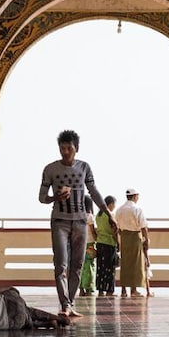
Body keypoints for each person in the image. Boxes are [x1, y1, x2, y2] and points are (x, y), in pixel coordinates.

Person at [38, 129, 116, 317]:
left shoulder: (84, 168)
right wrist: (55, 197)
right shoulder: (50, 169)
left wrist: (108, 213)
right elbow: (42, 197)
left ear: (76, 148)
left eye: (69, 148)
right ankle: (64, 304)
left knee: (77, 265)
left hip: (80, 221)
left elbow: (94, 191)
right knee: (61, 264)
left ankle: (70, 302)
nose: (65, 152)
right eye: (62, 148)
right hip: (60, 221)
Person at [114, 187, 149, 297]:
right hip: (135, 237)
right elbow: (143, 226)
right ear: (134, 196)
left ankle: (124, 290)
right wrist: (146, 239)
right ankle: (133, 290)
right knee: (135, 264)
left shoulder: (119, 209)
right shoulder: (137, 209)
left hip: (124, 237)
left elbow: (116, 226)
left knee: (125, 263)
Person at [94, 195, 119, 296]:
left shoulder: (98, 215)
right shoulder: (110, 215)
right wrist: (118, 243)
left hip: (100, 243)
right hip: (109, 243)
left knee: (101, 267)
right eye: (114, 204)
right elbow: (114, 231)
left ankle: (100, 289)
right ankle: (109, 290)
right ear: (111, 204)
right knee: (110, 268)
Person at [79, 195, 97, 296]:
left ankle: (81, 289)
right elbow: (93, 231)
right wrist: (97, 239)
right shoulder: (89, 216)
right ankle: (89, 288)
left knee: (80, 266)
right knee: (90, 267)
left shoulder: (78, 215)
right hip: (90, 243)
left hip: (79, 244)